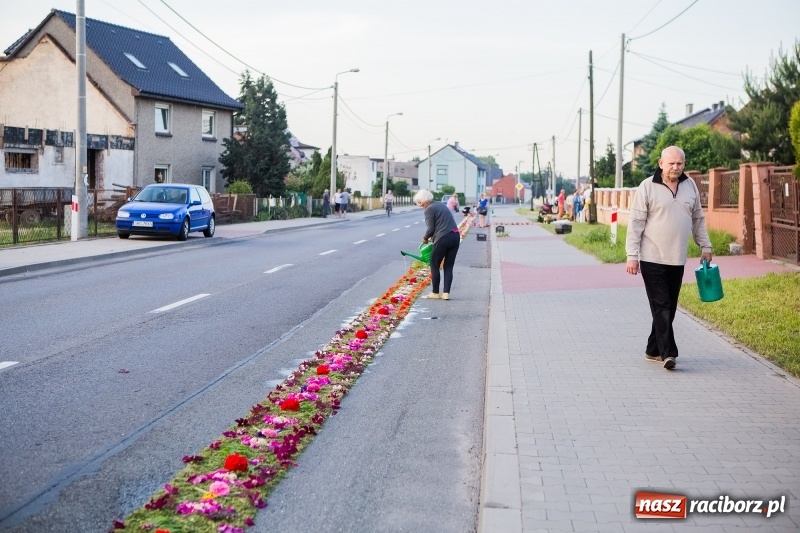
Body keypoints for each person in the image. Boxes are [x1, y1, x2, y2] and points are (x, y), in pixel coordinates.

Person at [625, 145, 713, 370]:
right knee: (662, 304)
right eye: (671, 163)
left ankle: (653, 350)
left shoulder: (690, 185)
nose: (675, 167)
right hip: (651, 257)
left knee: (669, 307)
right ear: (660, 163)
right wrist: (631, 256)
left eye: (680, 163)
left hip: (677, 258)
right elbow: (635, 224)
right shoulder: (647, 186)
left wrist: (705, 245)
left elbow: (698, 218)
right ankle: (668, 354)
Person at [414, 189, 460, 301]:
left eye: (420, 202)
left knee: (434, 264)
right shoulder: (440, 205)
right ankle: (446, 294)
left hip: (443, 237)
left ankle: (435, 292)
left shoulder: (429, 209)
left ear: (424, 200)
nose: (420, 205)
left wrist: (425, 238)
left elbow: (430, 229)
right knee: (448, 266)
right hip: (455, 236)